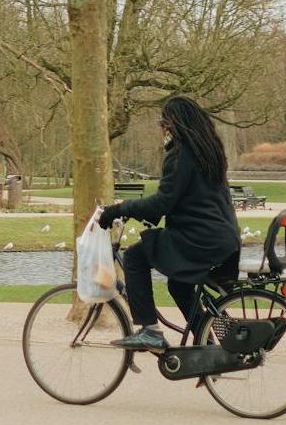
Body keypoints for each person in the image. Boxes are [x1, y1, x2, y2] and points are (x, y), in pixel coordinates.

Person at [98, 95, 240, 351]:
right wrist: (145, 213)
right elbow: (184, 199)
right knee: (179, 285)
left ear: (172, 124)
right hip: (222, 238)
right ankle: (209, 348)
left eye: (162, 123)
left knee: (135, 257)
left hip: (199, 238)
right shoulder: (208, 152)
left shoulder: (181, 154)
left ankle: (150, 332)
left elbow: (163, 202)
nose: (161, 129)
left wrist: (119, 209)